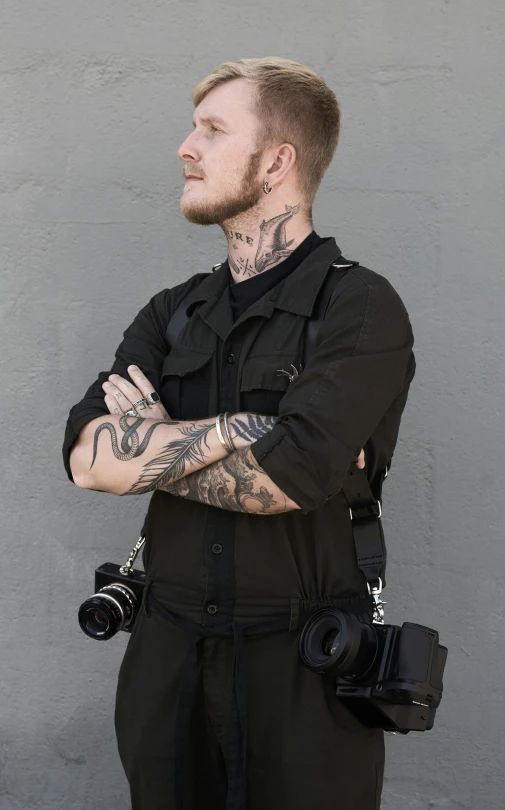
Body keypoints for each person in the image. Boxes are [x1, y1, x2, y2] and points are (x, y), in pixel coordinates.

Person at [63, 57, 416, 810]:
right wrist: (238, 428)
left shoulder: (359, 307)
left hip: (303, 668)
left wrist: (153, 445)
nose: (184, 148)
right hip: (166, 662)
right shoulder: (172, 313)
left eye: (212, 130)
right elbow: (88, 460)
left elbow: (290, 480)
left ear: (277, 160)